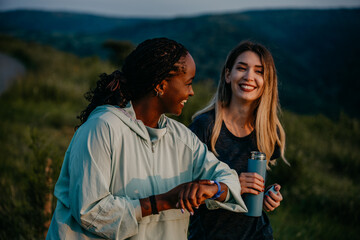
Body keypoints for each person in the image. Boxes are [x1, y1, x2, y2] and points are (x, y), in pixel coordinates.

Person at [46, 37, 247, 240]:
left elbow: (228, 178)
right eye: (188, 83)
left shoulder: (182, 137)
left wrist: (212, 188)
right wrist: (165, 201)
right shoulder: (102, 128)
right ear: (160, 85)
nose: (191, 92)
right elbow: (89, 211)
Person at [188, 41, 288, 240]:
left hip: (257, 234)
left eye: (259, 71)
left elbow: (253, 189)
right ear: (227, 75)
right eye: (241, 68)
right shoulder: (205, 126)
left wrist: (267, 196)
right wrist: (232, 184)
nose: (249, 76)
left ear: (267, 80)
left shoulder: (269, 132)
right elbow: (185, 192)